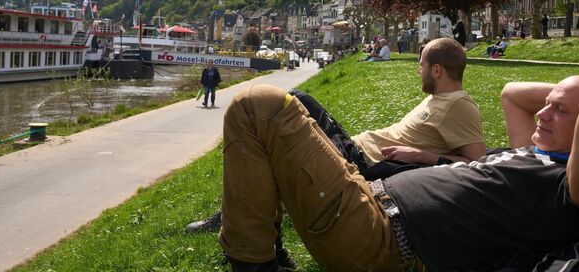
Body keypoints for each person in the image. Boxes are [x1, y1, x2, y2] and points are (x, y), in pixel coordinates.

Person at [219, 75, 579, 271]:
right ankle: (264, 255)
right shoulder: (534, 151)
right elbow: (512, 93)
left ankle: (256, 265)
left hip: (378, 238)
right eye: (549, 101)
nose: (543, 111)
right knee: (287, 108)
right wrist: (567, 96)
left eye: (560, 110)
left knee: (258, 104)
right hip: (366, 198)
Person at [188, 38, 485, 235]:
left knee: (279, 131)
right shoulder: (439, 99)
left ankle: (234, 219)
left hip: (359, 164)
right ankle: (238, 216)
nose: (417, 70)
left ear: (436, 70)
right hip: (353, 147)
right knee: (294, 100)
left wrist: (424, 157)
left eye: (420, 65)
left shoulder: (460, 106)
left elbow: (477, 165)